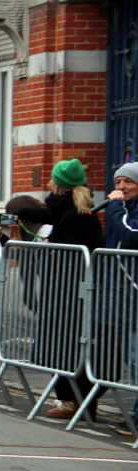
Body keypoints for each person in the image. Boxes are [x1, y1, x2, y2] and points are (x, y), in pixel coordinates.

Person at [12, 158, 104, 420]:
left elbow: (70, 250)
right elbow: (44, 213)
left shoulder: (77, 214)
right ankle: (74, 398)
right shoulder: (62, 206)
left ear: (60, 184)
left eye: (53, 178)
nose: (49, 182)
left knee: (67, 343)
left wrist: (50, 243)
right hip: (62, 288)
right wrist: (18, 217)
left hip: (71, 290)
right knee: (61, 343)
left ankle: (73, 399)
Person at [103, 162, 138, 435]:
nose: (121, 188)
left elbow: (130, 236)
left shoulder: (124, 210)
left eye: (127, 182)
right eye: (118, 183)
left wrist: (116, 207)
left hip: (133, 290)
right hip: (120, 291)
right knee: (130, 355)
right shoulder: (124, 209)